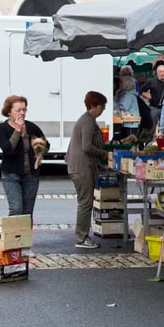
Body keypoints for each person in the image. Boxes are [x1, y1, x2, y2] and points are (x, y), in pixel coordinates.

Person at [0, 95, 48, 222]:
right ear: (9, 112)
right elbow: (8, 150)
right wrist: (18, 130)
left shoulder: (31, 127)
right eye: (18, 110)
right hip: (11, 174)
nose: (22, 113)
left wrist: (40, 152)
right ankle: (13, 240)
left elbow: (47, 144)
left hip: (31, 174)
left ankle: (25, 241)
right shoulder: (2, 128)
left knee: (27, 212)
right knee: (16, 209)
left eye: (24, 110)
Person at [67, 91, 108, 249]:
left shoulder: (87, 120)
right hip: (81, 168)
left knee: (84, 202)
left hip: (79, 167)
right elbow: (87, 147)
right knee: (85, 203)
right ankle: (81, 238)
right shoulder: (88, 122)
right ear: (93, 106)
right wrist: (105, 153)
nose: (103, 109)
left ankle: (82, 236)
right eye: (102, 106)